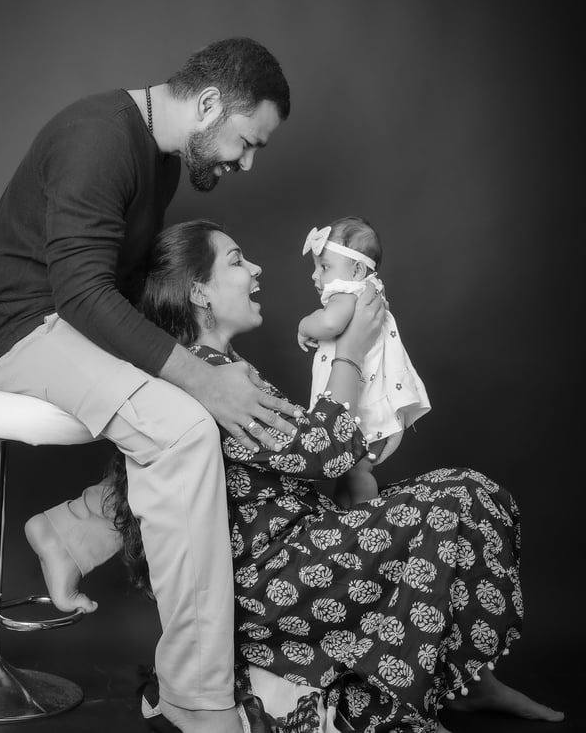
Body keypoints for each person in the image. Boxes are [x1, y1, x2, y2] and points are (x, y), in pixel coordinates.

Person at [0, 38, 304, 733]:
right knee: (184, 429)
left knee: (192, 411)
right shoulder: (98, 138)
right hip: (18, 331)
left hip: (63, 323)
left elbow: (115, 290)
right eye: (246, 142)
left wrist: (206, 367)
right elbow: (82, 292)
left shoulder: (160, 161)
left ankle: (74, 532)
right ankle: (196, 702)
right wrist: (203, 387)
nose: (246, 163)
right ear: (210, 104)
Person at [104, 220, 564, 732]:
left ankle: (467, 681)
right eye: (236, 261)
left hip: (304, 543)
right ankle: (435, 690)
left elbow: (310, 452)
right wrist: (351, 351)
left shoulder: (221, 364)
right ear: (199, 293)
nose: (256, 269)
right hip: (273, 579)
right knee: (457, 503)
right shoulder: (207, 377)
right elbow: (323, 452)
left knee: (472, 494)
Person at [297, 217, 431, 508]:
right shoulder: (370, 292)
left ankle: (367, 519)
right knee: (350, 475)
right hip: (371, 405)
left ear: (357, 270)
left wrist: (305, 326)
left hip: (359, 413)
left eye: (324, 267)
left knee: (358, 472)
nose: (315, 275)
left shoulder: (348, 293)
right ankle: (346, 517)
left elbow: (330, 323)